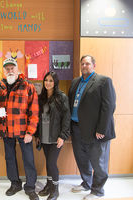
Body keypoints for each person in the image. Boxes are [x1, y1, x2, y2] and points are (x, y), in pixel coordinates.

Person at [68, 55, 116, 200]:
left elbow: (109, 107)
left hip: (96, 131)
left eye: (87, 64)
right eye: (82, 63)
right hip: (77, 128)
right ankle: (87, 183)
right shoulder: (76, 82)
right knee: (81, 159)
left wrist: (102, 129)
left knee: (98, 162)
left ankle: (98, 190)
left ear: (94, 65)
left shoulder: (103, 81)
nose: (84, 66)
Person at [0, 58, 39, 200]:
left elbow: (34, 111)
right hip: (7, 131)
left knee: (28, 159)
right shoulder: (0, 87)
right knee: (10, 158)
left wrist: (30, 132)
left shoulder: (28, 86)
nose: (9, 71)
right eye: (7, 68)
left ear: (17, 69)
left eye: (12, 68)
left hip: (23, 131)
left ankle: (30, 186)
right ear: (4, 71)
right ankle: (15, 183)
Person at [35, 71, 70, 200]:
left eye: (51, 80)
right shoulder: (41, 97)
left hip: (56, 137)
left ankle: (55, 189)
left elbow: (66, 118)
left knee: (51, 163)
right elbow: (37, 118)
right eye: (46, 80)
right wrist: (37, 134)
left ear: (55, 82)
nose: (48, 83)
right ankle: (49, 185)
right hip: (44, 136)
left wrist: (63, 136)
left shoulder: (62, 97)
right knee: (48, 163)